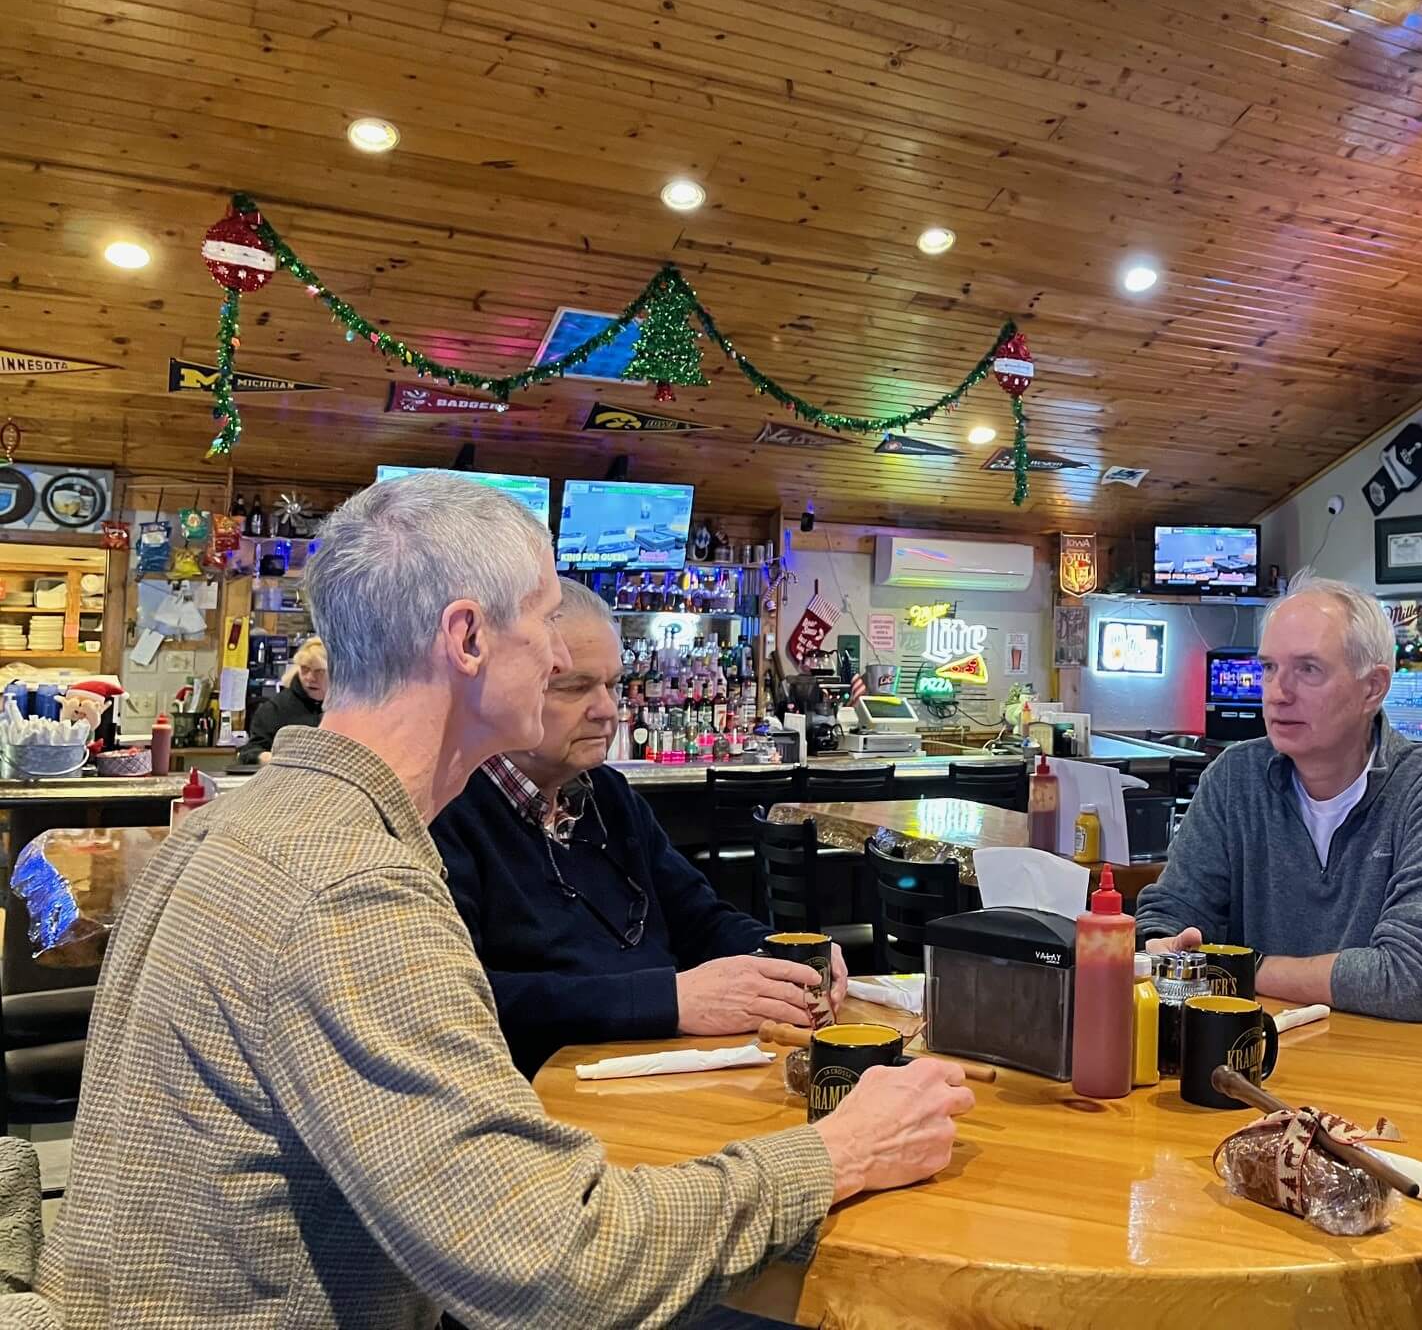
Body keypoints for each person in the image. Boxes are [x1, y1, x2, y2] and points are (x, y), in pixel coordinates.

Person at [46, 472, 972, 1329]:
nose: (563, 651)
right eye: (544, 622)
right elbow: (549, 1263)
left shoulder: (239, 828)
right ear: (470, 639)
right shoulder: (349, 885)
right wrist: (842, 1152)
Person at [432, 579, 847, 1076]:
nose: (608, 709)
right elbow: (466, 1002)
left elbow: (700, 918)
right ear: (503, 683)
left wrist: (784, 959)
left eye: (611, 684)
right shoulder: (445, 812)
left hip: (666, 1071)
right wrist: (669, 1000)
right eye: (573, 686)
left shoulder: (609, 794)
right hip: (548, 1091)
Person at [1134, 572, 1422, 1032]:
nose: (1278, 693)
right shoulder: (1234, 778)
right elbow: (1170, 916)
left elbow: (1411, 978)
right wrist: (1160, 944)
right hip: (1267, 1056)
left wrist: (1235, 969)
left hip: (1417, 1076)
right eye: (1268, 668)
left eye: (1308, 669)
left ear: (1373, 688)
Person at [237, 634, 327, 764]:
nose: (310, 678)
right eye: (304, 669)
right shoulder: (275, 709)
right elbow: (249, 752)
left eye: (319, 671)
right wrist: (275, 759)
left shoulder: (348, 707)